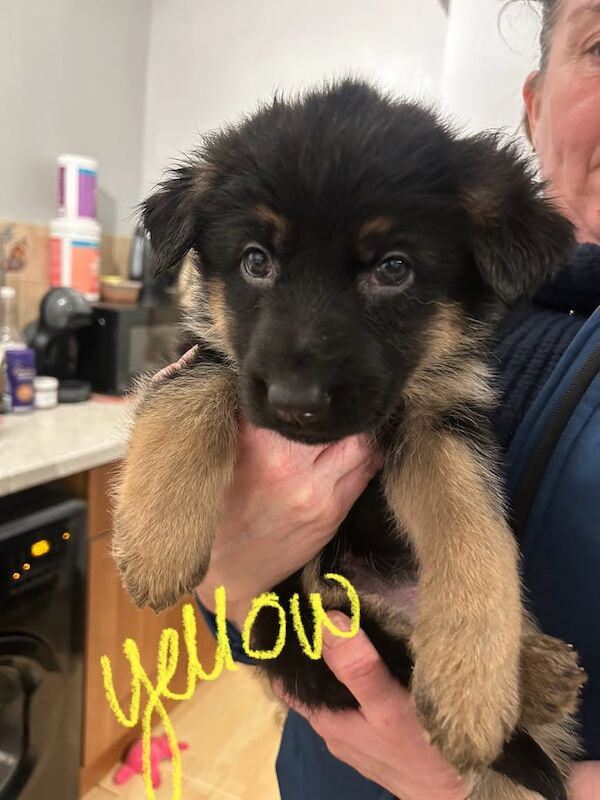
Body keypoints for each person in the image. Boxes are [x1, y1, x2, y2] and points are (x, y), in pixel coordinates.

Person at [191, 0, 600, 797]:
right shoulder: (471, 269)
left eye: (389, 273)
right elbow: (244, 595)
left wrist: (508, 791)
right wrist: (225, 585)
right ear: (535, 98)